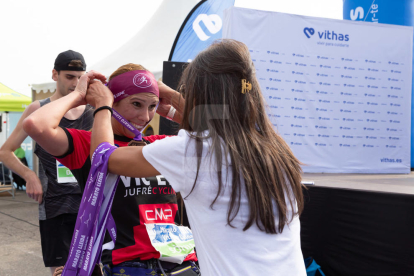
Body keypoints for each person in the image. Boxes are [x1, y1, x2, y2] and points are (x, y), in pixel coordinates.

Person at [86, 39, 307, 276]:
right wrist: (172, 96)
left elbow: (103, 158)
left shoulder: (193, 150)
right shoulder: (274, 147)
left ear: (199, 95)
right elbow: (216, 124)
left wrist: (102, 105)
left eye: (187, 91)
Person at [23, 64, 199, 276]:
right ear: (112, 101)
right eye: (136, 104)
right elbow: (35, 124)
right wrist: (82, 95)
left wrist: (169, 97)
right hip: (127, 267)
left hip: (182, 263)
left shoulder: (159, 144)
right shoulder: (86, 144)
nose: (145, 117)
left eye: (152, 106)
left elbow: (218, 134)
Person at [0, 50, 93, 275]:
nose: (75, 83)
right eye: (69, 77)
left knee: (94, 270)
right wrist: (30, 176)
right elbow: (6, 151)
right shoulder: (39, 109)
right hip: (54, 206)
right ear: (55, 75)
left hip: (89, 204)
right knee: (62, 272)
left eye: (79, 77)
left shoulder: (93, 111)